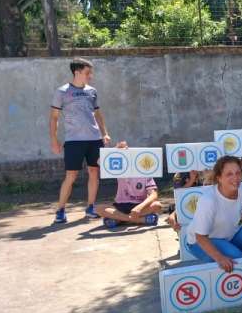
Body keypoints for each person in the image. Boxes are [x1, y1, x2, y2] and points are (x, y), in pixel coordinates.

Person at [185, 156, 242, 271]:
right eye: (229, 174)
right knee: (239, 260)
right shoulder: (209, 200)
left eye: (238, 173)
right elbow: (200, 237)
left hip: (231, 233)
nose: (235, 178)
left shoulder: (241, 188)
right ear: (219, 178)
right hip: (202, 240)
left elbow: (241, 212)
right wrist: (220, 258)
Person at [50, 58, 111, 224]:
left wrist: (104, 133)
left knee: (94, 172)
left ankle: (91, 207)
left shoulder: (92, 91)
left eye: (90, 73)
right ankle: (60, 210)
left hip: (94, 139)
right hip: (74, 141)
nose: (90, 76)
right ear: (76, 72)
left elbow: (97, 113)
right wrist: (54, 140)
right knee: (71, 175)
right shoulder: (62, 92)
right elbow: (54, 118)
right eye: (87, 72)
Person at [95, 141, 162, 228]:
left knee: (157, 205)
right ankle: (139, 220)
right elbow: (100, 162)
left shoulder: (145, 172)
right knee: (98, 209)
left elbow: (154, 194)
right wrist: (116, 150)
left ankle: (119, 219)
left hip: (139, 205)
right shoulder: (121, 170)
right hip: (120, 206)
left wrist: (139, 208)